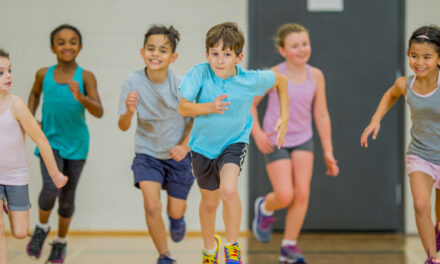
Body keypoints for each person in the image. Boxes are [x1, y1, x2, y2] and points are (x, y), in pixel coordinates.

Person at [178, 22, 289, 264]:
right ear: (207, 54)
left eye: (226, 55)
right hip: (202, 147)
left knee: (228, 190)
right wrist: (210, 107)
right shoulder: (199, 73)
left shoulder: (250, 79)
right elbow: (183, 107)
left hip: (233, 142)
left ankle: (232, 245)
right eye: (214, 54)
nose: (219, 60)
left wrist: (284, 115)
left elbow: (281, 81)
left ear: (238, 57)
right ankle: (210, 249)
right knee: (209, 203)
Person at [250, 23, 339, 264]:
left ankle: (288, 246)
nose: (301, 49)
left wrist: (328, 152)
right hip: (275, 138)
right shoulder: (273, 75)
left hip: (303, 139)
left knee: (302, 193)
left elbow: (321, 114)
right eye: (294, 46)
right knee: (285, 194)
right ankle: (265, 207)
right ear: (282, 50)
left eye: (305, 44)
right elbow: (250, 104)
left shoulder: (316, 75)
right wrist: (257, 133)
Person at [361, 25, 440, 264]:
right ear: (408, 54)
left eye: (427, 57)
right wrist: (375, 121)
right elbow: (391, 94)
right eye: (414, 56)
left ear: (438, 58)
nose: (420, 62)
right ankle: (432, 258)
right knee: (420, 204)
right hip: (420, 155)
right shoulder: (406, 84)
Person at [25, 24, 103, 263]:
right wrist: (30, 118)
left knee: (67, 199)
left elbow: (99, 111)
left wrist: (80, 96)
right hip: (51, 142)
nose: (67, 46)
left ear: (80, 46)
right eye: (61, 42)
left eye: (72, 41)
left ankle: (60, 242)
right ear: (52, 47)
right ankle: (41, 228)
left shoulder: (87, 76)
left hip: (78, 146)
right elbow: (35, 94)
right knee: (50, 189)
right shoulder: (42, 74)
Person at [118, 25, 194, 264]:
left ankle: (177, 219)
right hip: (147, 153)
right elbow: (122, 125)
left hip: (177, 155)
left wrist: (184, 146)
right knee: (152, 206)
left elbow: (196, 123)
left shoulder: (181, 85)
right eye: (151, 48)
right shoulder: (132, 82)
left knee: (175, 210)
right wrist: (130, 112)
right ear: (142, 52)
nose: (156, 54)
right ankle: (165, 255)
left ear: (173, 57)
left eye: (163, 50)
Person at [0, 49, 68, 264]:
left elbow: (41, 140)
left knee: (20, 232)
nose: (8, 76)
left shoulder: (16, 105)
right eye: (0, 72)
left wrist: (55, 173)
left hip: (15, 176)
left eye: (9, 70)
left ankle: (8, 204)